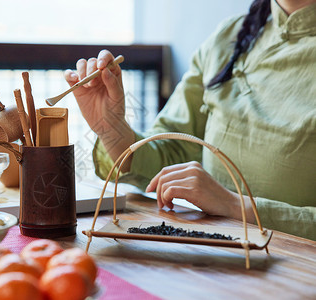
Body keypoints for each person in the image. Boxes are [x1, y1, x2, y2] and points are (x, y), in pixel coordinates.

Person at [64, 0, 316, 240]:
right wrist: (112, 129)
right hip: (210, 253)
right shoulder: (228, 36)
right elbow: (172, 149)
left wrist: (235, 205)